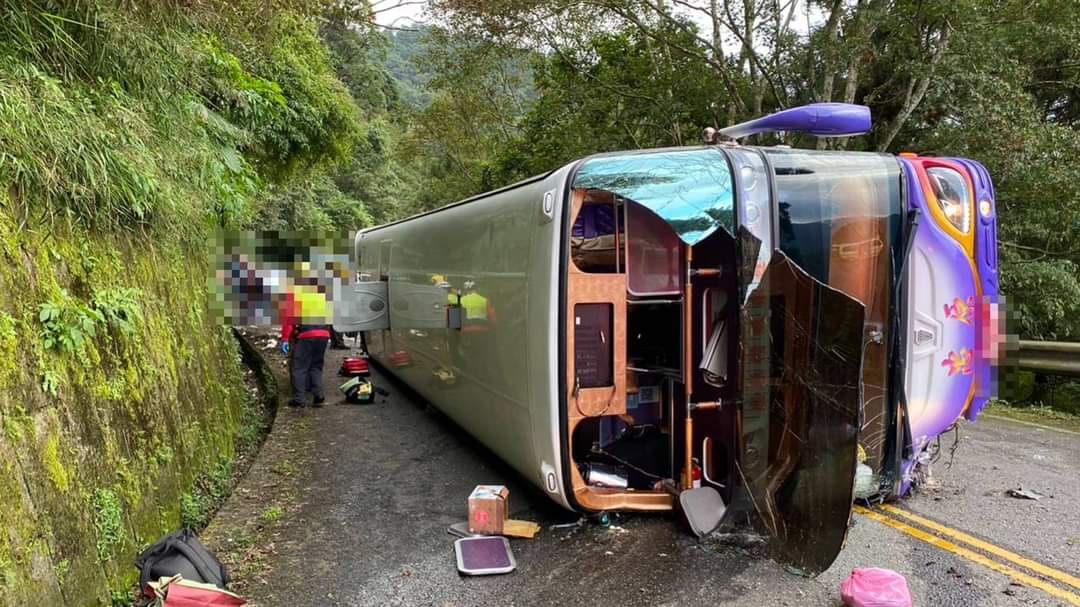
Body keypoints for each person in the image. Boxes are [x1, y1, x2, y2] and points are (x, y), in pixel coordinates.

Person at [281, 271, 332, 407]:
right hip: (324, 334)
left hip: (307, 334)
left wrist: (285, 339)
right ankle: (319, 396)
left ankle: (299, 399)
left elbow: (289, 319)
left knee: (298, 367)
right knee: (315, 366)